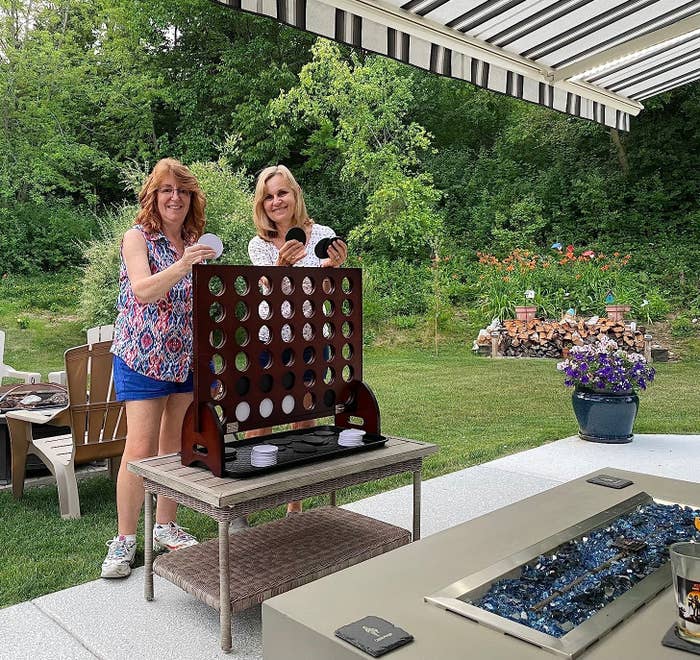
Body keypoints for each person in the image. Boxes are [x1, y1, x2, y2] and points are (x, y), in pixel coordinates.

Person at [101, 158, 216, 579]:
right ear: (153, 195)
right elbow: (144, 290)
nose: (175, 198)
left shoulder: (193, 240)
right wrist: (185, 264)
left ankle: (165, 526)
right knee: (140, 448)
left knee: (176, 447)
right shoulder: (137, 238)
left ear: (191, 199)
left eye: (183, 191)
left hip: (184, 357)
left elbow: (197, 300)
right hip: (142, 356)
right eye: (167, 190)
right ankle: (125, 539)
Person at [247, 165, 347, 515]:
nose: (276, 201)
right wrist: (279, 266)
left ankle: (294, 504)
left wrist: (335, 270)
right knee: (261, 419)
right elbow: (266, 291)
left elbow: (331, 292)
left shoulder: (322, 235)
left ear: (295, 194)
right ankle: (247, 499)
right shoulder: (258, 244)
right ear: (263, 204)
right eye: (269, 196)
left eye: (282, 193)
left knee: (303, 418)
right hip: (271, 340)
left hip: (311, 339)